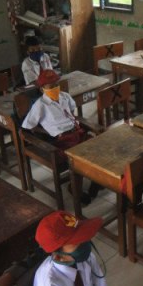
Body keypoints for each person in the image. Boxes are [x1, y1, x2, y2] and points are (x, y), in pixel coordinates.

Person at [21, 69, 100, 204]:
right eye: (51, 87)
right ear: (42, 89)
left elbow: (72, 111)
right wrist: (48, 130)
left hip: (76, 131)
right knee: (78, 157)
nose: (55, 88)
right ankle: (75, 189)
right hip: (62, 139)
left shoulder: (64, 96)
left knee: (98, 147)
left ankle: (97, 181)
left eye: (56, 84)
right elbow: (28, 126)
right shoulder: (40, 105)